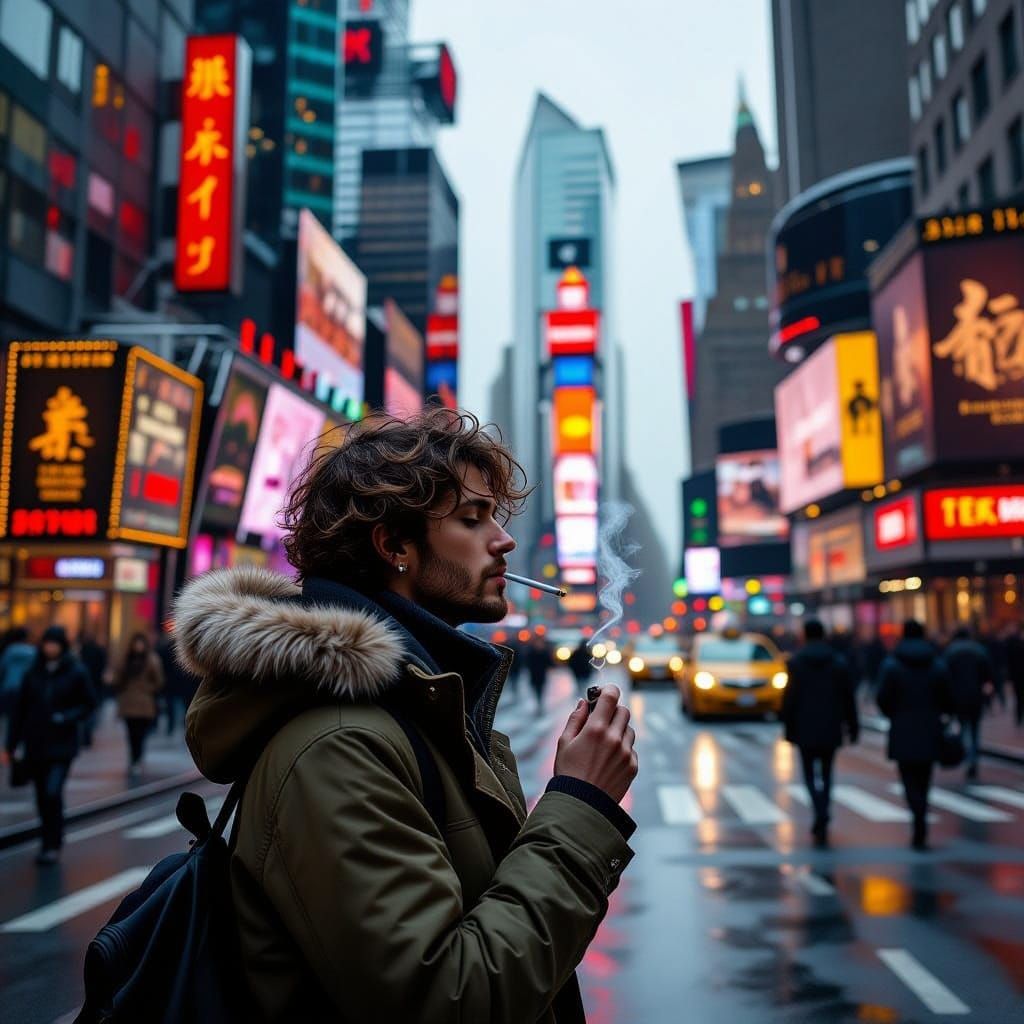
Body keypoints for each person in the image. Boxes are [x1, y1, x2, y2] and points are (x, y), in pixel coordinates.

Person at [177, 409, 638, 1023]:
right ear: (394, 545)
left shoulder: (419, 706)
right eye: (472, 520)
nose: (502, 541)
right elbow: (445, 999)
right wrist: (581, 805)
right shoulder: (341, 745)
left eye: (495, 519)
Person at [5, 625, 96, 865]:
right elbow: (19, 711)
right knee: (41, 795)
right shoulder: (33, 672)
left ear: (62, 645)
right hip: (35, 744)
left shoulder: (75, 671)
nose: (50, 648)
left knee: (52, 791)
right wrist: (10, 745)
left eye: (54, 643)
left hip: (62, 745)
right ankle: (47, 841)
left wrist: (66, 717)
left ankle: (53, 842)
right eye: (47, 643)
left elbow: (89, 703)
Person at [781, 619, 859, 848]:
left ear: (805, 634)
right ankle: (824, 808)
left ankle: (819, 809)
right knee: (826, 773)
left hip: (805, 726)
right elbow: (848, 697)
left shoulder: (796, 663)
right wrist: (853, 726)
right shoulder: (838, 662)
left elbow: (790, 697)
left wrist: (788, 725)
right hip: (831, 725)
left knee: (808, 774)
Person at [877, 619, 953, 851]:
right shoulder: (936, 664)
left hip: (902, 728)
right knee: (925, 776)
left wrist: (894, 714)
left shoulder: (892, 665)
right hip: (930, 727)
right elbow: (947, 698)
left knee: (908, 778)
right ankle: (921, 814)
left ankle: (917, 813)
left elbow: (883, 698)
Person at [943, 627, 995, 779]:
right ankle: (973, 759)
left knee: (963, 728)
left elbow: (944, 676)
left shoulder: (950, 652)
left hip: (958, 697)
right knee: (975, 729)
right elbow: (988, 674)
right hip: (975, 696)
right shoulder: (979, 650)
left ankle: (967, 757)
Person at [112, 632, 164, 779]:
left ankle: (137, 758)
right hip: (129, 703)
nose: (138, 647)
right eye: (136, 643)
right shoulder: (125, 660)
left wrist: (147, 689)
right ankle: (134, 759)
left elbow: (159, 681)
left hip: (144, 704)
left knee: (140, 734)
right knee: (131, 733)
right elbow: (117, 679)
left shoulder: (151, 660)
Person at [155, 621, 196, 735]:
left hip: (180, 683)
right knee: (180, 706)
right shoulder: (168, 647)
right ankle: (179, 726)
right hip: (177, 683)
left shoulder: (167, 647)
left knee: (178, 706)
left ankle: (174, 726)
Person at [0, 627, 36, 748]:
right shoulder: (33, 651)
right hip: (25, 689)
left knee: (8, 720)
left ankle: (8, 745)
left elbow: (2, 668)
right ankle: (20, 744)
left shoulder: (9, 650)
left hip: (9, 688)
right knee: (22, 717)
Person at [76, 631, 107, 748]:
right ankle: (87, 734)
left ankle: (85, 734)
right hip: (96, 684)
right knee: (92, 710)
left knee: (86, 710)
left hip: (86, 684)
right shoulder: (99, 650)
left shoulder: (82, 651)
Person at [525, 634, 552, 713]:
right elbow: (527, 663)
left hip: (542, 675)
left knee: (541, 690)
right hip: (533, 675)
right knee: (535, 690)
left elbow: (549, 663)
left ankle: (540, 704)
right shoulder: (531, 652)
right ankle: (538, 703)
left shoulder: (544, 652)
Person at [1005, 622, 1024, 726]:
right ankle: (1019, 718)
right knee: (1019, 698)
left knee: (1019, 698)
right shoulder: (1012, 642)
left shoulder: (1013, 641)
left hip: (1017, 675)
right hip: (1017, 675)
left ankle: (1019, 718)